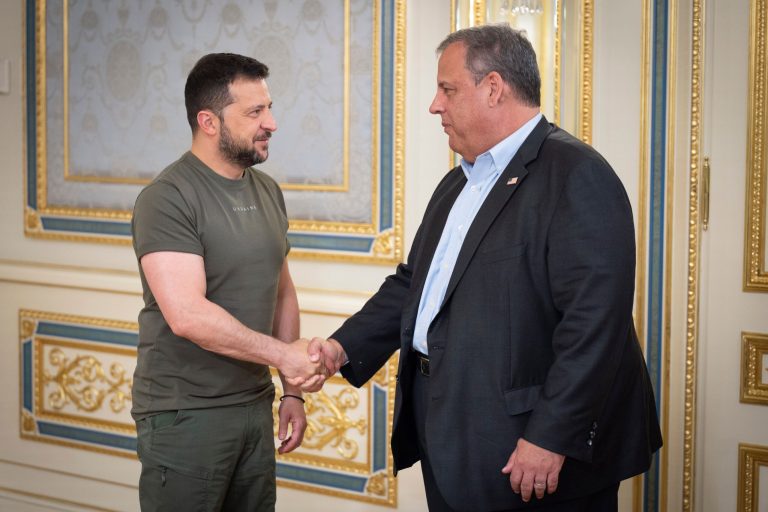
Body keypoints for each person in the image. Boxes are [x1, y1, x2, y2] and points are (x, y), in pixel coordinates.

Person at [310, 25, 663, 511]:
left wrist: (551, 437)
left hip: (531, 447)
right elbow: (416, 285)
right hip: (452, 431)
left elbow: (594, 323)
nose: (435, 105)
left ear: (493, 88)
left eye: (447, 89)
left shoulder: (577, 174)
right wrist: (339, 347)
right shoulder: (457, 184)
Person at [131, 53, 326, 512]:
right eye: (255, 112)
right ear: (209, 121)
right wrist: (286, 357)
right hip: (185, 415)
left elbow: (282, 293)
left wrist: (291, 391)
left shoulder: (267, 190)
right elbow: (187, 315)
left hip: (254, 407)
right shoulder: (167, 198)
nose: (272, 123)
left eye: (269, 108)